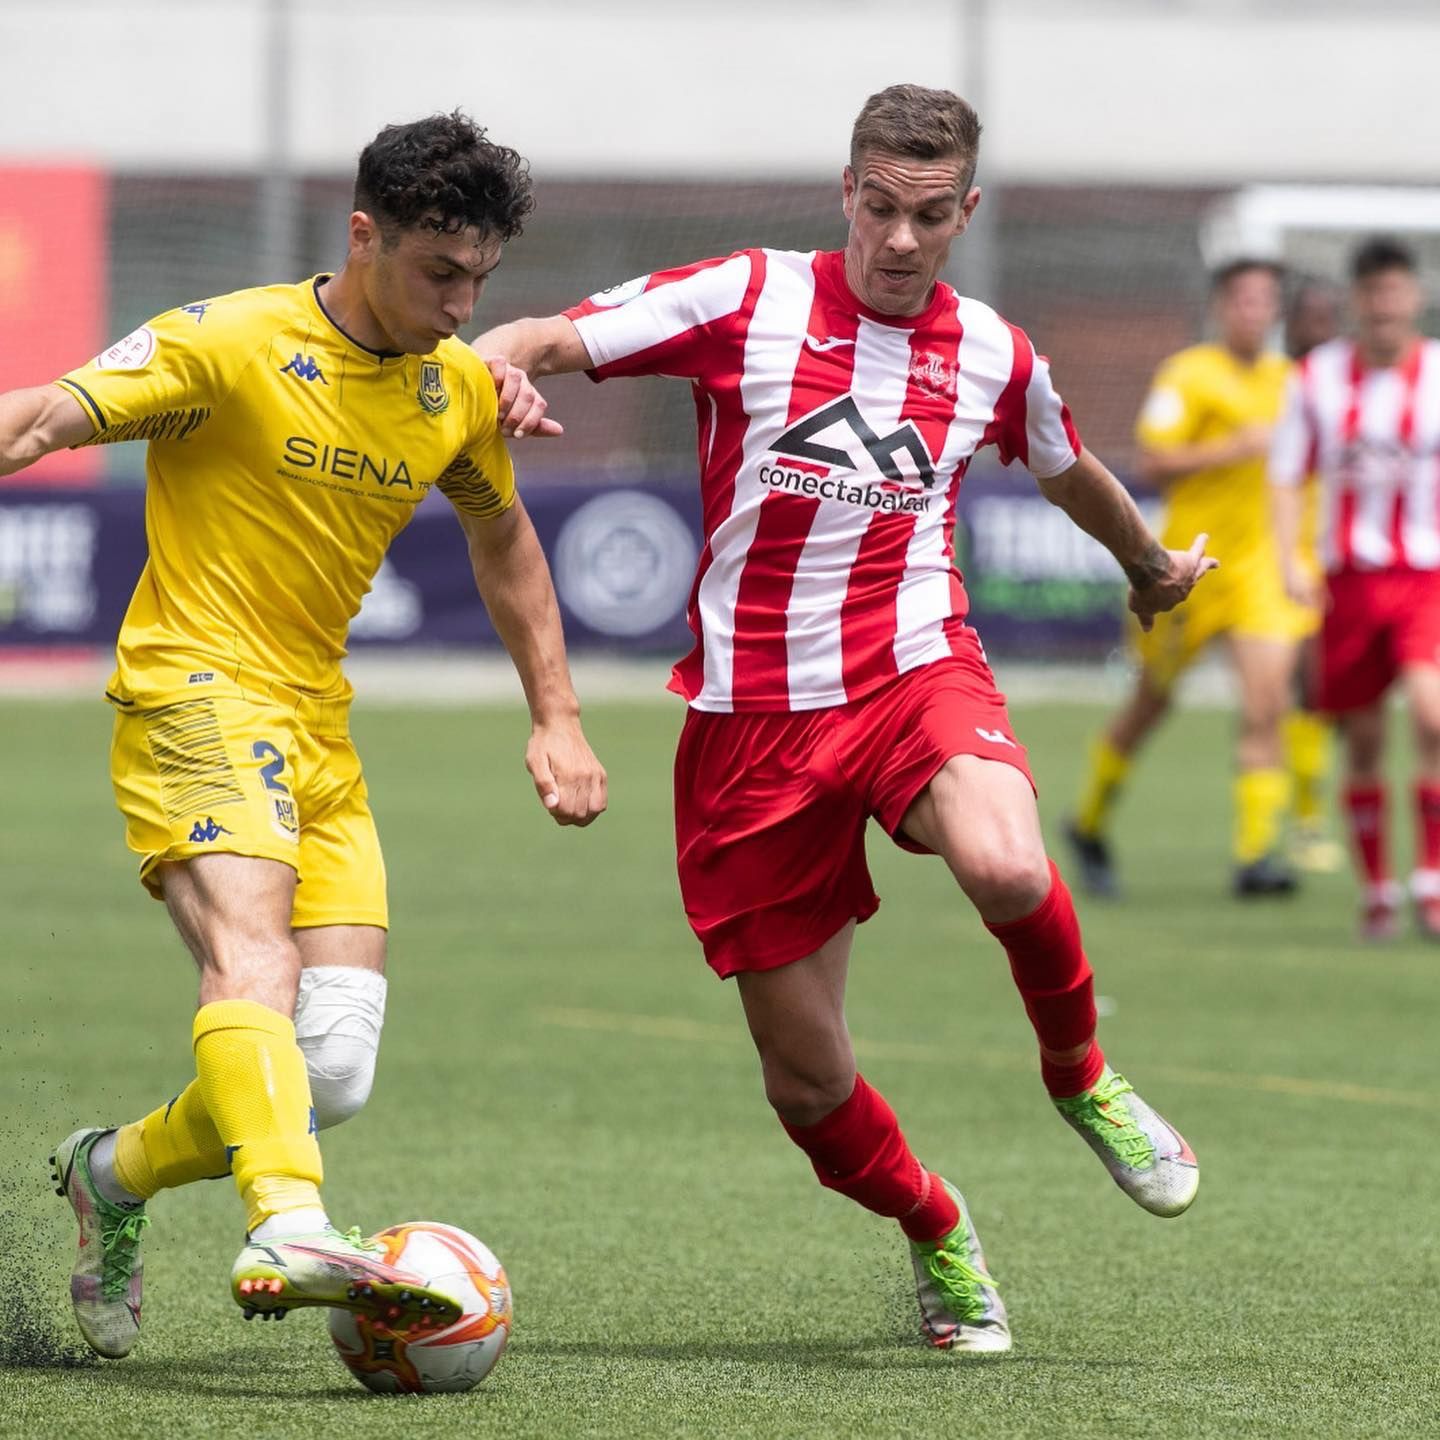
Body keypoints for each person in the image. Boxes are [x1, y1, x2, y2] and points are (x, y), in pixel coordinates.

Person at [476, 84, 1208, 1355]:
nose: (902, 239)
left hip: (909, 671)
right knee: (808, 1084)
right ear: (849, 192)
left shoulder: (993, 350)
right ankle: (936, 1228)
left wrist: (1146, 567)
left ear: (965, 210)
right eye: (881, 208)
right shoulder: (746, 296)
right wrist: (501, 365)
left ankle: (1083, 1077)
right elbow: (547, 334)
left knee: (1004, 859)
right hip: (749, 725)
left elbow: (1067, 463)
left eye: (931, 215)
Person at [0, 112, 606, 1360]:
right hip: (194, 692)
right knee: (254, 960)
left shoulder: (456, 392)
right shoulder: (226, 341)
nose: (460, 304)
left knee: (329, 1070)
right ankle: (287, 1221)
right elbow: (43, 423)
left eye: (481, 281)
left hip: (317, 728)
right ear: (364, 235)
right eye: (439, 273)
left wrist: (557, 713)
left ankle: (107, 1174)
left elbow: (505, 543)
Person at [1067, 259, 1315, 898]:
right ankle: (1088, 822)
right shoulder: (1188, 375)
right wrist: (1232, 447)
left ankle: (1257, 856)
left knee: (1267, 704)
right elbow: (1152, 460)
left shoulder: (1292, 382)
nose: (1254, 312)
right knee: (1151, 704)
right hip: (1185, 567)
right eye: (1243, 300)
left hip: (1257, 569)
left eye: (1265, 301)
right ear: (1221, 308)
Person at [1271, 237, 1440, 941]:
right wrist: (1290, 560)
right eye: (1372, 292)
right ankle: (1377, 890)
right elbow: (1286, 474)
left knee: (1433, 717)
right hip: (1347, 580)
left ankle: (1430, 880)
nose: (1385, 304)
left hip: (1426, 575)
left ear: (1415, 297)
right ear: (1356, 300)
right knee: (1364, 738)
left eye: (1395, 290)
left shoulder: (1436, 374)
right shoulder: (1316, 378)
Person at [1281, 277, 1346, 874]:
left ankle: (1303, 822)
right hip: (1262, 560)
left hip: (1330, 559)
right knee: (1152, 698)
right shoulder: (1278, 385)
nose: (1321, 328)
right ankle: (1092, 818)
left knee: (1315, 690)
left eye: (1331, 317)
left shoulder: (1345, 389)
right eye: (1312, 317)